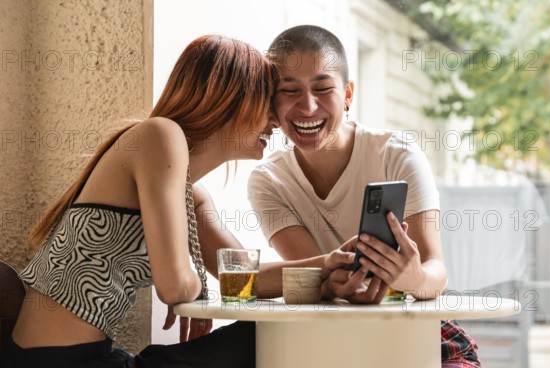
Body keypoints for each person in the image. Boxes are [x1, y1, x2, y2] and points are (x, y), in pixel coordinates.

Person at [1, 35, 354, 368]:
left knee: (278, 331)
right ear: (234, 98)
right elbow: (175, 286)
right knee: (271, 337)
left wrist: (329, 265)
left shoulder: (193, 194)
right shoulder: (159, 135)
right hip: (55, 362)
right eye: (268, 102)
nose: (277, 120)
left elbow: (245, 279)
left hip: (95, 356)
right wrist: (191, 288)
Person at [248, 25, 481, 366]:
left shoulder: (397, 154)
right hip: (329, 334)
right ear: (271, 101)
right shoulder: (268, 180)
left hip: (415, 330)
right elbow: (314, 276)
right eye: (289, 90)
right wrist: (333, 285)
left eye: (323, 88)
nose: (308, 106)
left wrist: (412, 277)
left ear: (347, 94)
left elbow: (436, 274)